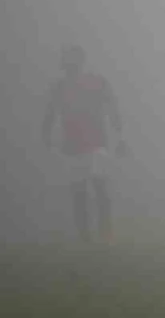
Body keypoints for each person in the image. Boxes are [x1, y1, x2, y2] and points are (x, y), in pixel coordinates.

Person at [41, 45, 127, 245]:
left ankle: (105, 233)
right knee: (79, 192)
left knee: (99, 188)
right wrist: (45, 136)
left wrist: (121, 136)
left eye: (72, 59)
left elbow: (113, 108)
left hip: (97, 144)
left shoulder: (97, 82)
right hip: (72, 148)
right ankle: (85, 237)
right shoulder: (60, 87)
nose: (69, 64)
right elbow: (50, 113)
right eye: (66, 60)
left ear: (80, 61)